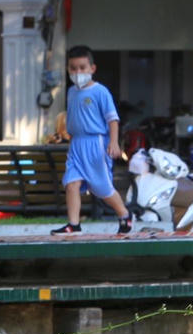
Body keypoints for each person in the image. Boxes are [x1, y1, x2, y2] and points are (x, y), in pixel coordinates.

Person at [50, 45, 133, 235]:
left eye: (82, 67)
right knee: (71, 183)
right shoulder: (71, 92)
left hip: (96, 143)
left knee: (101, 187)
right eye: (73, 68)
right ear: (68, 69)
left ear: (92, 69)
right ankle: (74, 224)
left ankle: (124, 214)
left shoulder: (100, 92)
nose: (78, 72)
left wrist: (113, 142)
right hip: (76, 144)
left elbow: (112, 119)